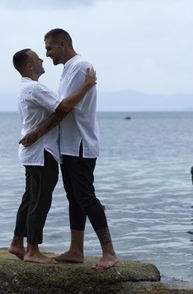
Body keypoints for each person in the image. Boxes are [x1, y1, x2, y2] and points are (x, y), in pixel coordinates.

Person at [19, 28, 119, 269]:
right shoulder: (68, 69)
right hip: (69, 146)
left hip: (81, 144)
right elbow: (60, 107)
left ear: (63, 44)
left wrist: (37, 133)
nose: (47, 54)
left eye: (50, 49)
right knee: (74, 199)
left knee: (85, 196)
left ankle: (109, 253)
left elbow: (64, 108)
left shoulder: (80, 65)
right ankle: (76, 250)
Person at [8, 48, 97, 264]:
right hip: (42, 153)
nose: (42, 59)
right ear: (29, 66)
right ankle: (32, 251)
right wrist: (87, 85)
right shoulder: (35, 88)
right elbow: (64, 106)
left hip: (33, 153)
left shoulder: (26, 88)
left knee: (30, 198)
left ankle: (17, 243)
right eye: (38, 58)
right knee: (40, 201)